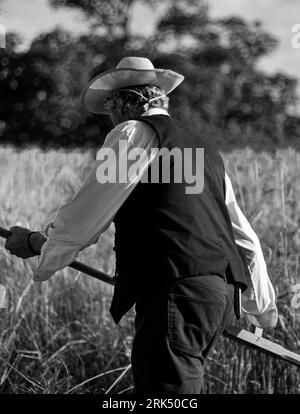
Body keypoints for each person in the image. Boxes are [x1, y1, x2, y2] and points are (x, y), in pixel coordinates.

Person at [5, 57, 278, 394]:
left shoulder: (132, 132)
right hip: (219, 296)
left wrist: (36, 244)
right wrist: (261, 304)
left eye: (110, 108)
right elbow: (242, 233)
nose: (110, 119)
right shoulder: (207, 150)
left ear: (126, 102)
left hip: (175, 291)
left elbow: (89, 212)